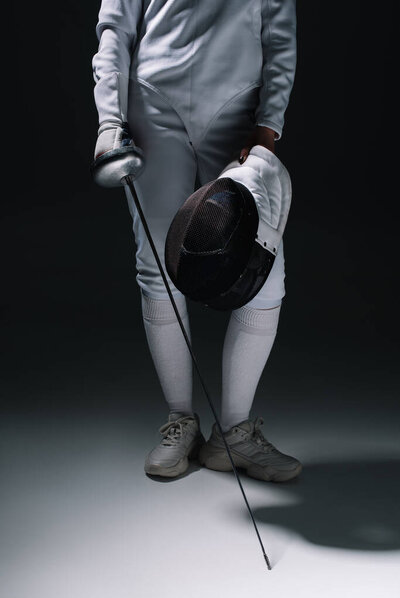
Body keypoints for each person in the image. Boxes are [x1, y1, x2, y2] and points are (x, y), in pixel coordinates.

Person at [92, 0, 302, 481]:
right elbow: (114, 27)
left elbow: (281, 34)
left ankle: (233, 435)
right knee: (158, 267)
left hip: (237, 119)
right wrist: (109, 119)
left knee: (261, 267)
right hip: (153, 109)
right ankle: (181, 421)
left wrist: (269, 126)